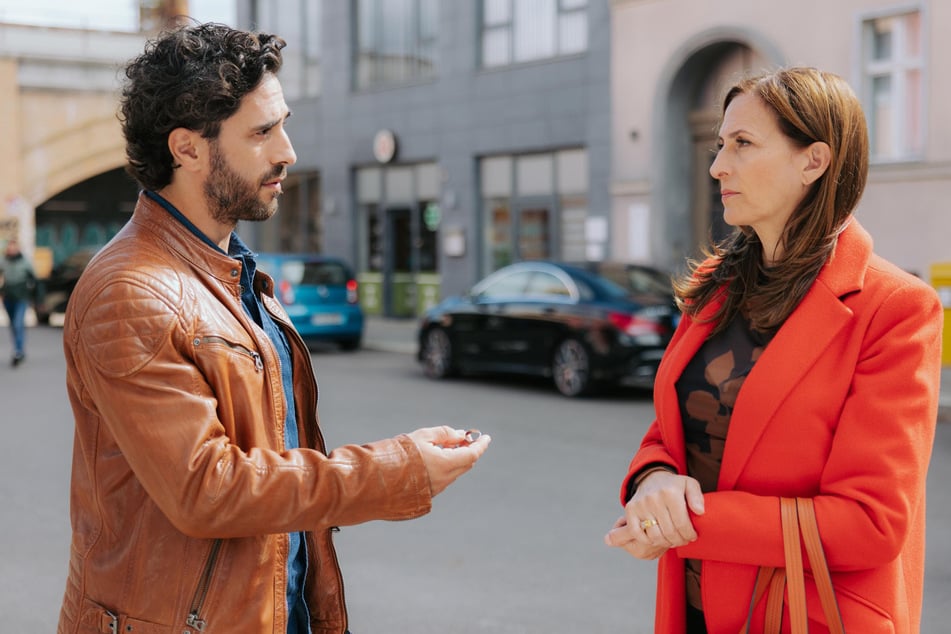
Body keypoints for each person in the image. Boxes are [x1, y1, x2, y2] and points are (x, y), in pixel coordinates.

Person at [56, 23, 490, 634]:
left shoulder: (233, 271)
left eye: (282, 123)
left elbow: (276, 462)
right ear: (187, 148)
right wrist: (395, 469)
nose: (287, 151)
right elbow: (207, 489)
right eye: (261, 132)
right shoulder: (131, 291)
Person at [604, 67, 943, 633]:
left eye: (742, 144)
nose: (717, 166)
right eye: (719, 145)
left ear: (813, 161)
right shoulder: (717, 283)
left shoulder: (895, 308)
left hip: (807, 616)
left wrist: (681, 524)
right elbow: (671, 431)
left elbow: (869, 522)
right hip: (696, 608)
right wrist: (652, 480)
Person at [0, 238, 35, 366]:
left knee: (18, 323)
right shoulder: (3, 261)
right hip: (8, 298)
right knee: (13, 326)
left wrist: (33, 297)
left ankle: (18, 351)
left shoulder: (25, 262)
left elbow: (34, 279)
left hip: (21, 298)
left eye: (14, 247)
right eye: (10, 247)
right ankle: (18, 346)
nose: (12, 249)